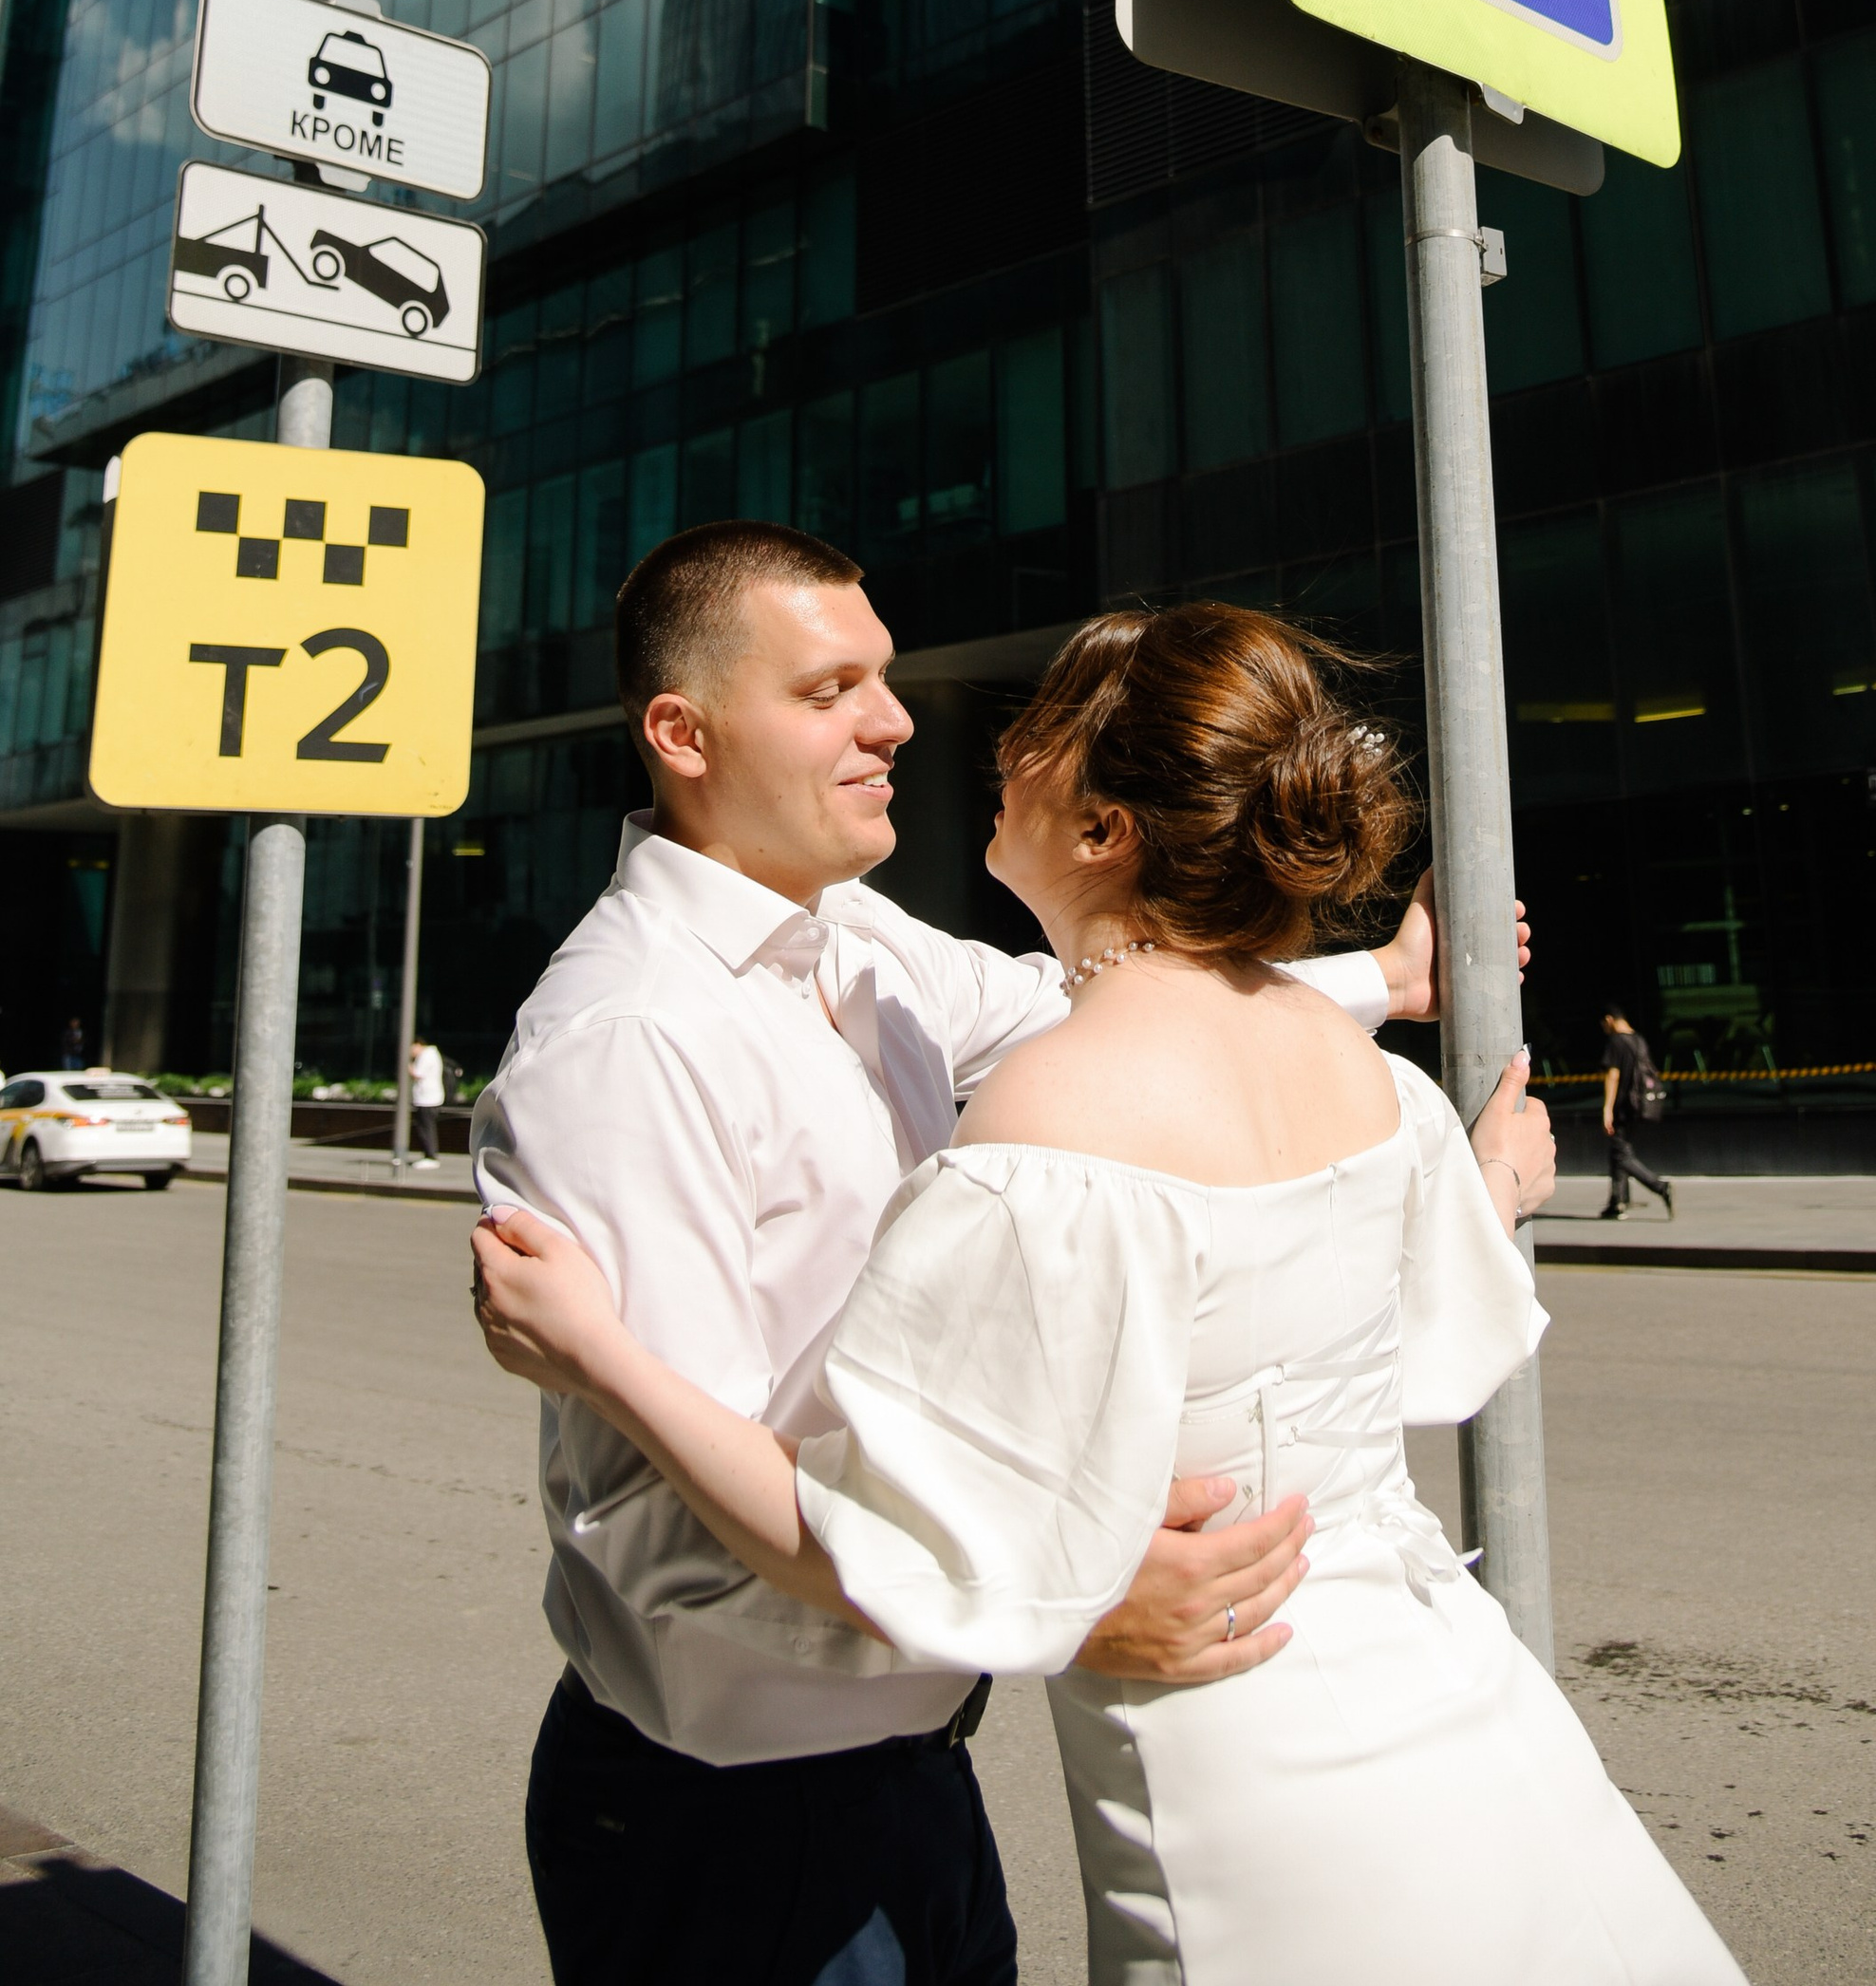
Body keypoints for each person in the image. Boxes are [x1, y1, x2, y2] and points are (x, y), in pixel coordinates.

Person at [475, 603, 1750, 1986]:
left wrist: (598, 1352)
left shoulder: (1025, 1099)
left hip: (1223, 1762)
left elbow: (873, 1531)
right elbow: (1379, 1327)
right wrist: (1431, 1081)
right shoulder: (1372, 1091)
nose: (921, 729)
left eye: (1024, 729)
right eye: (834, 687)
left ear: (1101, 830)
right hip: (1446, 1707)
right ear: (683, 730)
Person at [1600, 1004, 1674, 1218]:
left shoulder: (1616, 1042)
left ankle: (1660, 1186)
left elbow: (1613, 1076)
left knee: (1621, 1155)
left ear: (1609, 1019)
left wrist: (1607, 1109)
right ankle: (1618, 1202)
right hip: (1638, 1105)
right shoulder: (1638, 1040)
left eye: (1603, 1024)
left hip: (1623, 1106)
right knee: (1619, 1151)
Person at [408, 1035, 445, 1164]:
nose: (410, 1052)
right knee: (425, 1127)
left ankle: (430, 1156)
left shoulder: (427, 1055)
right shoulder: (430, 1054)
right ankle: (429, 1154)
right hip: (428, 1098)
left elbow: (417, 1074)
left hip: (427, 1099)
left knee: (426, 1128)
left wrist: (407, 1065)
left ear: (417, 1044)